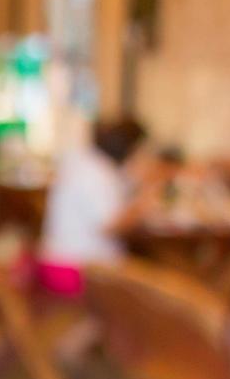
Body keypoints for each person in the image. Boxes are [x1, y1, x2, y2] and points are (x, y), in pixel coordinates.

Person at [37, 118, 156, 297]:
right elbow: (111, 226)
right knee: (154, 285)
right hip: (78, 271)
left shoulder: (87, 162)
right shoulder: (99, 174)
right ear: (131, 149)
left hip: (57, 262)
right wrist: (143, 204)